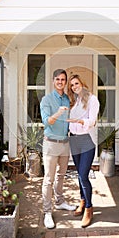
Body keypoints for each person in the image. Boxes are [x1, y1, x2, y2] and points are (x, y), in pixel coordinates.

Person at [40, 69, 76, 229]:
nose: (60, 82)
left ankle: (60, 201)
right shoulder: (46, 100)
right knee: (49, 179)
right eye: (58, 79)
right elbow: (47, 122)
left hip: (65, 143)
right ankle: (47, 212)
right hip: (51, 144)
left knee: (61, 175)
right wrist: (58, 112)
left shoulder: (67, 99)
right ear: (53, 81)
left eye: (63, 79)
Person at [67, 74, 100, 228]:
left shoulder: (92, 100)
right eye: (72, 85)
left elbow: (92, 121)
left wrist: (80, 121)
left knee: (83, 175)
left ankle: (89, 209)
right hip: (74, 140)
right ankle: (82, 201)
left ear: (82, 83)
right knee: (79, 175)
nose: (74, 87)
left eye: (76, 83)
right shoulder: (74, 101)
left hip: (86, 140)